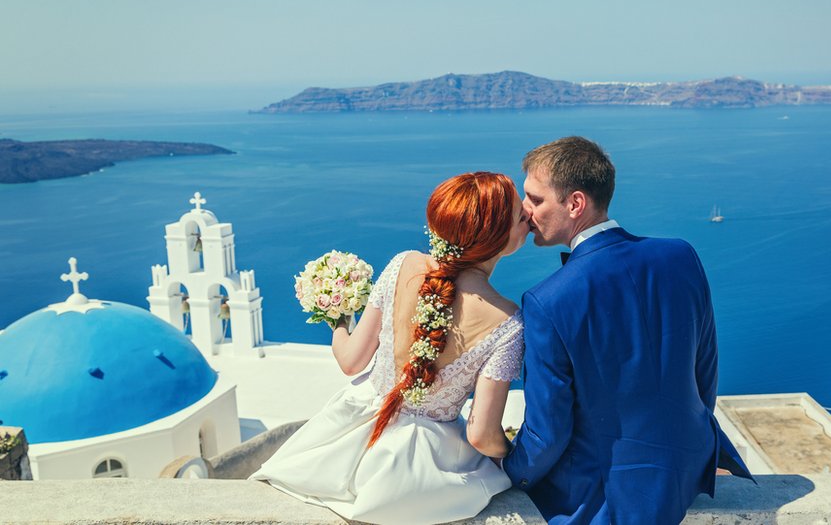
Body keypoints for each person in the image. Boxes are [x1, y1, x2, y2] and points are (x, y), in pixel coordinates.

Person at [250, 172, 529, 525]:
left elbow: (351, 362)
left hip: (346, 444)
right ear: (497, 237)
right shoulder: (507, 322)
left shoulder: (403, 264)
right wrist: (513, 455)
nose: (530, 218)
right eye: (521, 216)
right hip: (424, 469)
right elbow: (482, 436)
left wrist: (336, 317)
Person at [503, 137, 752, 525]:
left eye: (535, 199)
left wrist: (508, 470)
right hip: (684, 473)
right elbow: (705, 374)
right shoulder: (681, 255)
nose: (525, 209)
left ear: (575, 204)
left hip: (607, 497)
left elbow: (547, 432)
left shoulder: (547, 301)